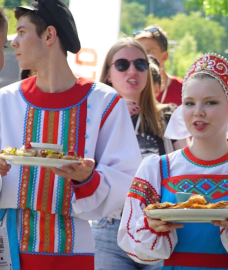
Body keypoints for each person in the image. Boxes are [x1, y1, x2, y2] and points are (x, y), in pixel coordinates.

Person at [117, 53, 228, 269]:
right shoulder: (157, 169)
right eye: (189, 103)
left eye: (210, 102)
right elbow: (131, 241)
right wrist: (151, 227)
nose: (198, 112)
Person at [0, 1, 141, 269]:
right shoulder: (4, 101)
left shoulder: (105, 102)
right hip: (9, 250)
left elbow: (125, 178)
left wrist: (87, 178)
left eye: (21, 32)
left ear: (49, 35)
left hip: (75, 252)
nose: (13, 43)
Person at [93, 38, 187, 270]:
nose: (132, 70)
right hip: (109, 229)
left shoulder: (169, 116)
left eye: (140, 64)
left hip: (159, 228)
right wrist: (111, 116)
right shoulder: (93, 117)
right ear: (108, 74)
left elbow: (187, 169)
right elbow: (83, 168)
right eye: (122, 65)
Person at [134, 26, 183, 107]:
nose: (143, 57)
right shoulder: (130, 90)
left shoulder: (184, 90)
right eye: (138, 52)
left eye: (149, 52)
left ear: (164, 56)